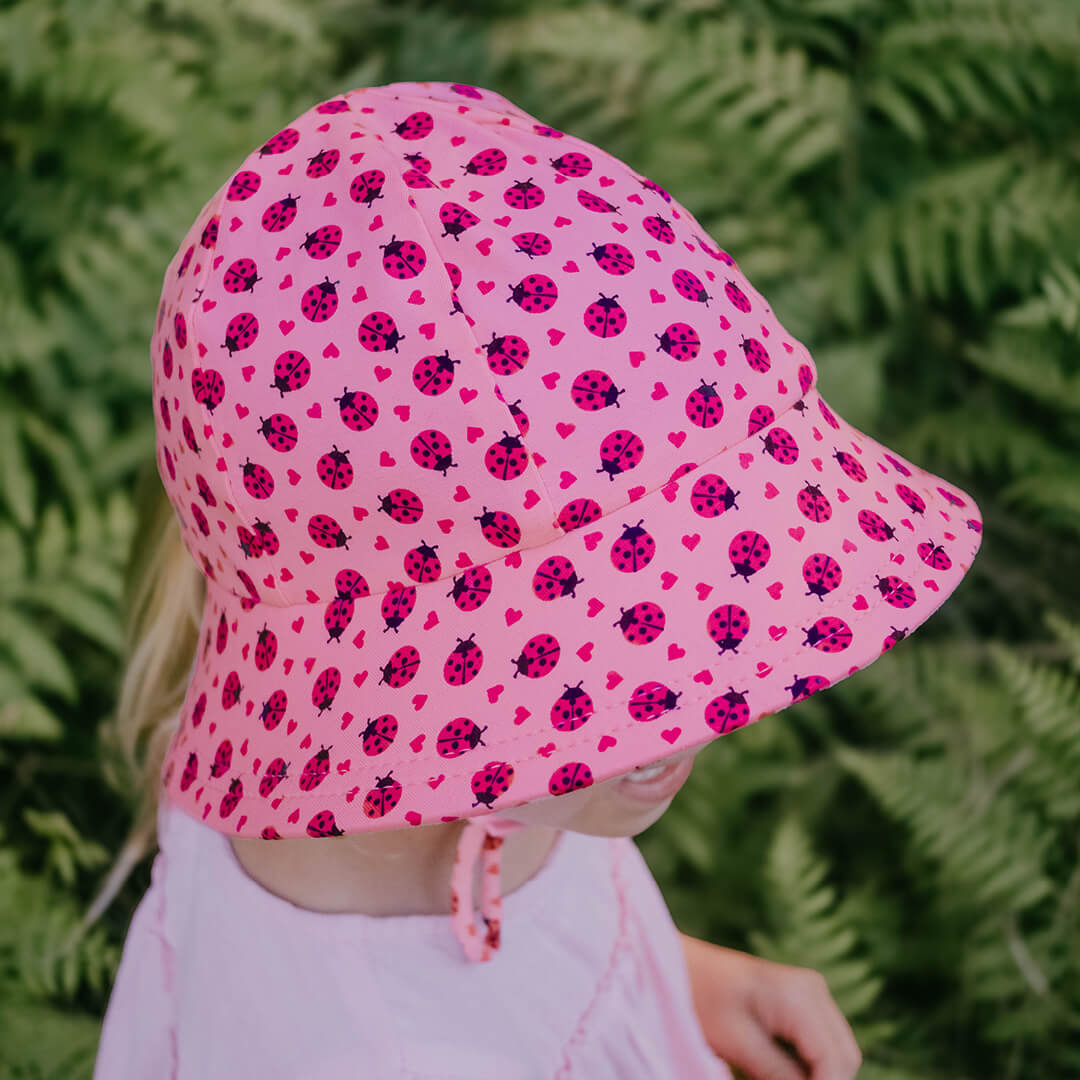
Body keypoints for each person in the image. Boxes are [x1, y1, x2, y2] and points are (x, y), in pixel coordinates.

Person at [90, 79, 983, 1079]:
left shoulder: (393, 779)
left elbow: (483, 956)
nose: (699, 704)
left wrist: (671, 977)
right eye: (616, 643)